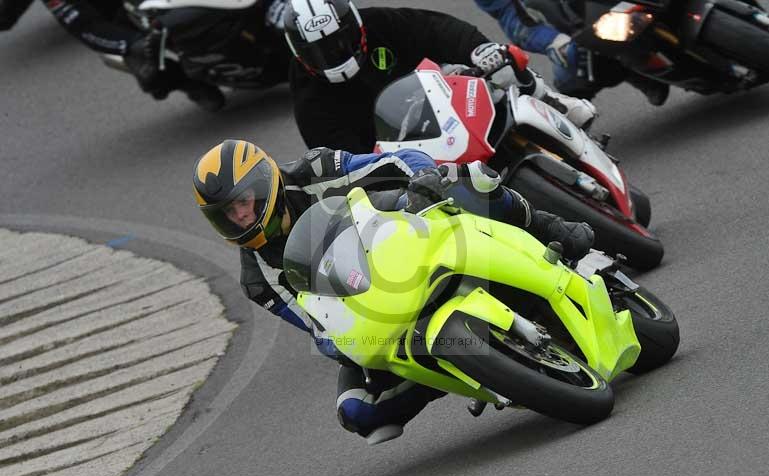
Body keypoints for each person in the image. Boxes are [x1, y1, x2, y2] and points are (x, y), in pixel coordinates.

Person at [192, 139, 595, 444]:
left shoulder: (314, 171)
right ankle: (472, 371)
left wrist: (422, 179)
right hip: (368, 306)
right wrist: (348, 342)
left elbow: (393, 161)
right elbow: (316, 328)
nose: (241, 216)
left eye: (243, 202)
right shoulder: (257, 278)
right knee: (356, 412)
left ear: (265, 182)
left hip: (398, 234)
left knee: (465, 179)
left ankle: (550, 229)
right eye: (228, 214)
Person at [283, 0, 598, 153]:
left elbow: (436, 30)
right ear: (299, 53)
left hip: (438, 94)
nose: (336, 53)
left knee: (500, 68)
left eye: (341, 41)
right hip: (393, 150)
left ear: (356, 27)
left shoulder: (379, 22)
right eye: (322, 51)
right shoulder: (307, 94)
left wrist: (478, 50)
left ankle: (551, 102)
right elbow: (334, 151)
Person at [29, 0, 287, 110]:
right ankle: (189, 82)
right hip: (126, 22)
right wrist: (129, 45)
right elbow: (84, 26)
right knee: (149, 66)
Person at [474, 0, 671, 105]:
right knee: (571, 75)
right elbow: (511, 17)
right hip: (585, 25)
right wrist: (553, 42)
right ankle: (638, 72)